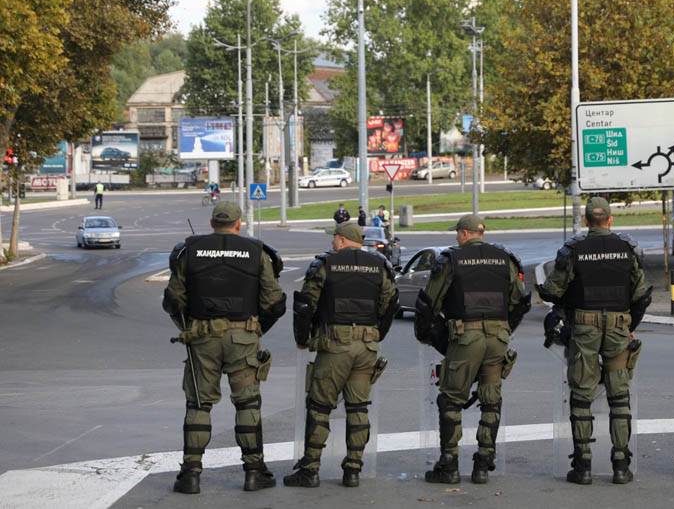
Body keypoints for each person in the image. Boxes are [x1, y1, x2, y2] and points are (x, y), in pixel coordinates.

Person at [161, 201, 287, 494]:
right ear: (238, 224)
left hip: (201, 339)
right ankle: (254, 472)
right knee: (247, 403)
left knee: (198, 404)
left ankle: (190, 474)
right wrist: (256, 328)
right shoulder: (256, 252)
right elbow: (275, 303)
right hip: (243, 338)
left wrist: (189, 329)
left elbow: (172, 301)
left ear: (211, 222)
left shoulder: (190, 250)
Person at [538, 197, 652, 485]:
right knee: (619, 396)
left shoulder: (574, 250)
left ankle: (583, 465)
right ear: (610, 219)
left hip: (585, 327)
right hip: (618, 326)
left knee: (582, 395)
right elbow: (641, 295)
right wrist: (629, 326)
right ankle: (621, 465)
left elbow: (551, 291)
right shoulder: (627, 249)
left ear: (586, 220)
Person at [414, 214, 530, 485]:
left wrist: (428, 333)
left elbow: (429, 301)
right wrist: (505, 328)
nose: (457, 237)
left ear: (465, 234)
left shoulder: (452, 259)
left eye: (458, 233)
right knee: (491, 399)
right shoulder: (505, 259)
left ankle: (449, 464)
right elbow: (521, 300)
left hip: (466, 336)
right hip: (498, 335)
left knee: (451, 399)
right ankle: (483, 464)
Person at [284, 221, 399, 489]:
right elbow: (389, 304)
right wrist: (376, 333)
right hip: (367, 344)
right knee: (358, 407)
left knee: (320, 406)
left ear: (343, 240)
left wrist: (303, 338)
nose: (332, 241)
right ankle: (353, 470)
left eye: (335, 237)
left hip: (335, 344)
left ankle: (310, 469)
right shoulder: (379, 266)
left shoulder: (326, 264)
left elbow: (306, 305)